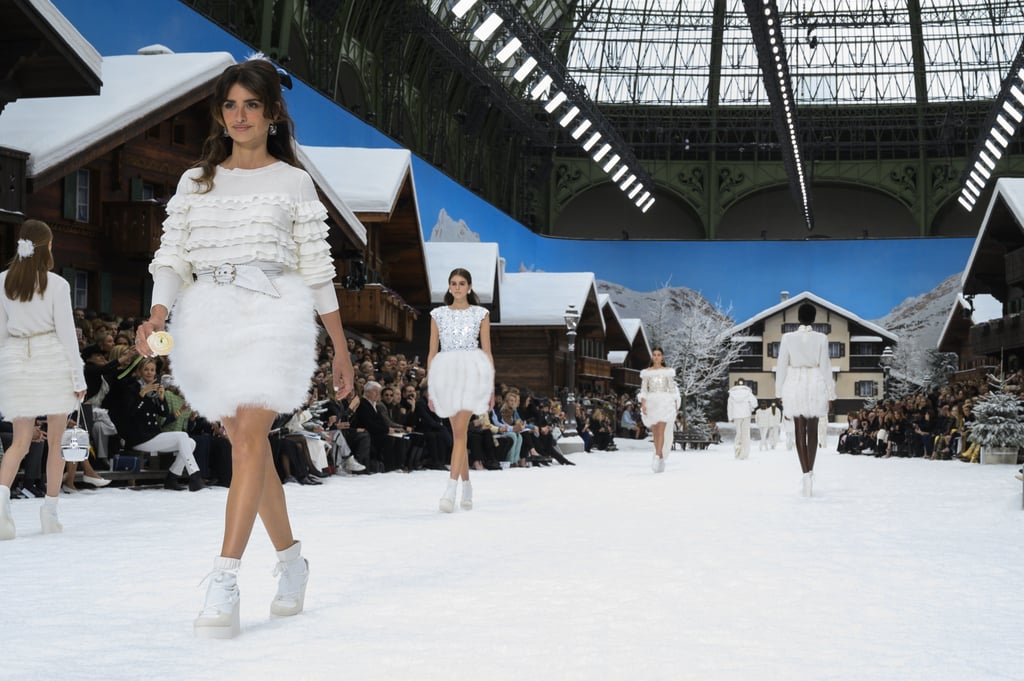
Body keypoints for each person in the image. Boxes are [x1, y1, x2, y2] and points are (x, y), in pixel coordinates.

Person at [135, 57, 355, 638]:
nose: (240, 116)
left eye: (251, 105)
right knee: (246, 447)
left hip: (275, 312)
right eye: (230, 105)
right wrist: (158, 312)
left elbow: (316, 267)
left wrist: (340, 346)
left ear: (273, 114)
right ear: (219, 112)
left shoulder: (293, 181)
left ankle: (225, 579)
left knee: (251, 437)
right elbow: (173, 257)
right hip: (208, 315)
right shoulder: (195, 182)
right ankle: (291, 562)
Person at [0, 219, 87, 539]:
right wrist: (78, 376)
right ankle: (50, 512)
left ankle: (0, 508)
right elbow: (67, 335)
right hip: (51, 360)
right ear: (47, 246)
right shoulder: (57, 284)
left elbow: (0, 335)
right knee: (55, 443)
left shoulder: (2, 282)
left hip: (16, 359)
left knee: (20, 442)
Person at [427, 268, 495, 512]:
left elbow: (487, 352)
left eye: (462, 283)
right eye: (453, 283)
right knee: (458, 433)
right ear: (448, 287)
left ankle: (450, 490)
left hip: (472, 371)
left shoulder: (481, 314)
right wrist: (430, 386)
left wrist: (491, 387)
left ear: (469, 287)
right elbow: (432, 353)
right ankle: (467, 485)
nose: (457, 287)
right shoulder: (438, 314)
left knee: (459, 433)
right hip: (445, 373)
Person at [776, 303, 836, 497]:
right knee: (813, 430)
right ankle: (810, 472)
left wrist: (779, 393)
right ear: (814, 318)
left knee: (799, 429)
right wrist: (831, 393)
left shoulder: (787, 338)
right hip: (815, 382)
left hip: (794, 383)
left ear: (799, 317)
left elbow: (782, 366)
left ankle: (805, 475)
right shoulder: (821, 338)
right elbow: (826, 366)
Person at [638, 347, 680, 473]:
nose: (656, 357)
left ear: (662, 357)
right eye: (654, 354)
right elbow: (644, 389)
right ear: (652, 356)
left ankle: (657, 457)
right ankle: (660, 458)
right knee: (655, 432)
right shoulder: (647, 373)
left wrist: (675, 404)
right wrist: (643, 403)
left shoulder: (667, 372)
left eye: (659, 355)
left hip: (664, 402)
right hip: (652, 403)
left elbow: (672, 389)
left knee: (661, 431)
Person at [727, 379, 758, 460]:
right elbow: (755, 403)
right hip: (746, 415)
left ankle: (737, 453)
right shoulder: (748, 393)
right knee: (746, 435)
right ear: (744, 384)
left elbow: (729, 407)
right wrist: (751, 408)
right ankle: (744, 454)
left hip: (737, 416)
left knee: (738, 434)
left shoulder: (732, 394)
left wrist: (730, 417)